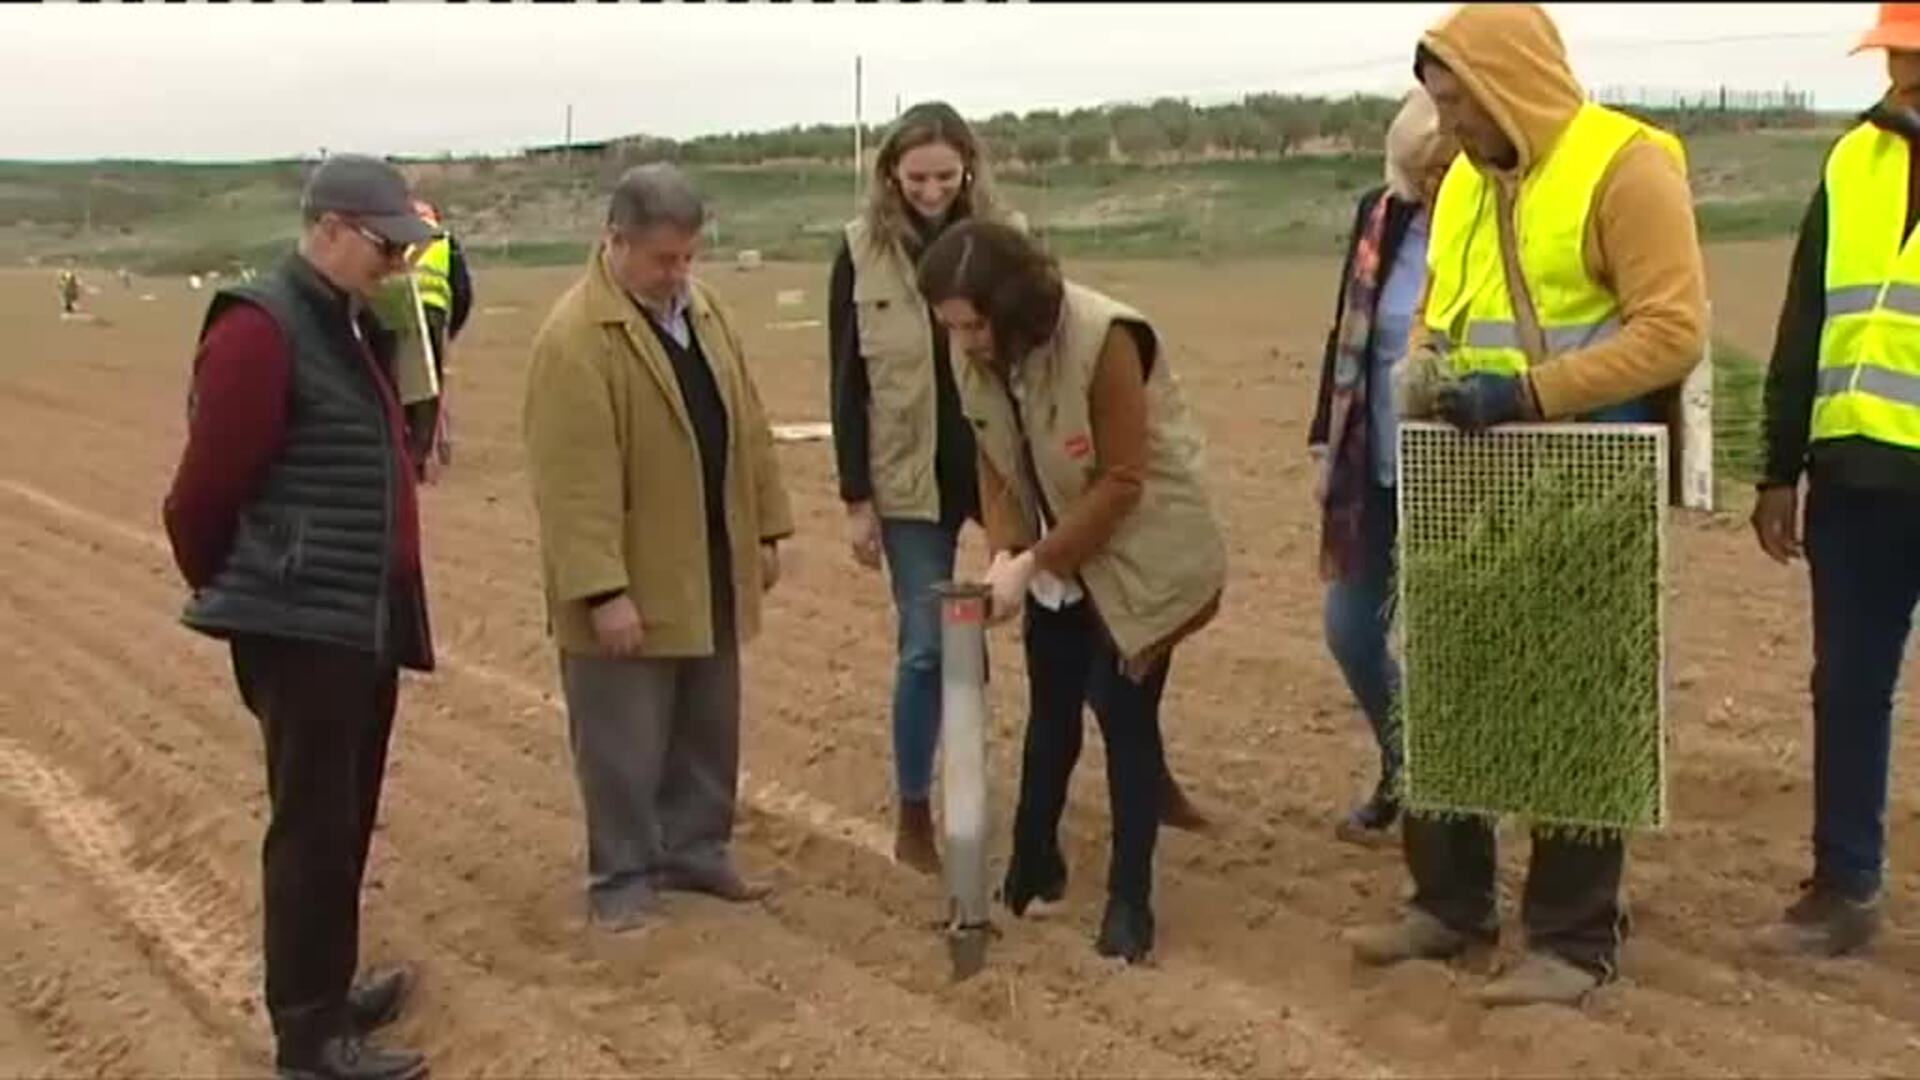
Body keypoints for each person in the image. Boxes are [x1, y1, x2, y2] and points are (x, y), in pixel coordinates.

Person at [1344, 3, 1707, 1006]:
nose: (1450, 125)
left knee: (1576, 699)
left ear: (1512, 87)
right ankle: (1449, 902)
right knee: (1448, 677)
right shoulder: (1464, 178)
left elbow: (1671, 329)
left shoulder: (1626, 166)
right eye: (1439, 103)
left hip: (1587, 464)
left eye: (1461, 102)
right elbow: (1438, 306)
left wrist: (1530, 395)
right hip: (1472, 464)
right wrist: (1427, 366)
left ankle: (1574, 940)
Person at [161, 154, 437, 1080]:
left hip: (360, 615)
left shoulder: (346, 321)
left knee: (344, 817)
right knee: (311, 827)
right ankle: (309, 1038)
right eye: (384, 245)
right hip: (303, 622)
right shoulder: (260, 330)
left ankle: (328, 987)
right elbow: (202, 495)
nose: (397, 263)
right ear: (327, 229)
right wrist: (254, 594)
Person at [916, 219, 1228, 963]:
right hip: (1056, 557)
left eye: (972, 325)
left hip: (1140, 556)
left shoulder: (1104, 339)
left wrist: (1034, 562)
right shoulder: (975, 355)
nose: (962, 341)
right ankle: (1034, 862)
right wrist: (1005, 550)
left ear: (1010, 306)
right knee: (1052, 708)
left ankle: (1130, 902)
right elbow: (994, 458)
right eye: (950, 327)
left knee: (1125, 719)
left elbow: (1122, 480)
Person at [523, 164, 794, 933]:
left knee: (708, 720)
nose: (678, 273)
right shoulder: (576, 339)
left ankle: (696, 850)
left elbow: (747, 426)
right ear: (615, 241)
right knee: (623, 737)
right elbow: (571, 483)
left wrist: (765, 530)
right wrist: (601, 591)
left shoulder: (704, 312)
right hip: (631, 573)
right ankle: (622, 875)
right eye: (663, 259)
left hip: (708, 556)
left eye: (688, 256)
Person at [1750, 1, 1920, 957]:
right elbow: (1804, 316)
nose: (1902, 74)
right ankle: (1844, 886)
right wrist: (1779, 468)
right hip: (1855, 478)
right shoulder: (1854, 159)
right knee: (1849, 687)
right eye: (1895, 54)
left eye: (1916, 55)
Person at [1307, 88, 1457, 846]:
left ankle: (1449, 805)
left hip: (1462, 470)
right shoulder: (1381, 213)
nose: (1427, 186)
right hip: (1375, 459)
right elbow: (1350, 330)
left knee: (1446, 647)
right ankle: (1408, 764)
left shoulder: (1502, 220)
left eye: (1440, 172)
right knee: (1351, 628)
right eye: (1418, 174)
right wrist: (1323, 443)